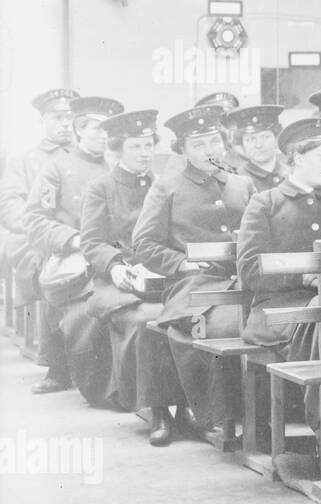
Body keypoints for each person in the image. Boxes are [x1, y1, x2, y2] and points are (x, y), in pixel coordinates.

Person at [133, 105, 255, 438]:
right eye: (198, 144)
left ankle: (258, 415)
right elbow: (143, 243)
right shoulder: (166, 186)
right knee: (216, 327)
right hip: (191, 286)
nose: (209, 151)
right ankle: (219, 416)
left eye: (214, 141)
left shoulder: (242, 184)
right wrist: (182, 263)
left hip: (243, 280)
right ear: (183, 150)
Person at [79, 109, 187, 444]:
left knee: (184, 316)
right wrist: (115, 266)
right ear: (117, 151)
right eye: (136, 147)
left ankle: (186, 409)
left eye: (147, 145)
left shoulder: (163, 185)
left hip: (162, 277)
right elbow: (92, 242)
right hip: (117, 281)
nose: (144, 153)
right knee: (147, 322)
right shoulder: (101, 188)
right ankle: (157, 412)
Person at [236, 117, 321, 440]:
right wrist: (303, 276)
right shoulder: (265, 203)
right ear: (297, 158)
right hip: (272, 312)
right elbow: (250, 269)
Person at [23, 96, 124, 399]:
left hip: (116, 256)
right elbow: (35, 219)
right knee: (88, 310)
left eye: (107, 131)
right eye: (95, 129)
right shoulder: (57, 168)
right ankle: (91, 382)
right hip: (75, 258)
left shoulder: (118, 166)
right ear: (79, 130)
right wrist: (74, 239)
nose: (103, 136)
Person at [1, 89, 78, 383]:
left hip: (80, 236)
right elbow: (10, 206)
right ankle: (56, 363)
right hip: (36, 241)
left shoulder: (88, 157)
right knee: (53, 269)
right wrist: (46, 232)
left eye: (70, 117)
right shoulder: (23, 162)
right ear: (42, 121)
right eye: (57, 117)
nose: (64, 124)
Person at [227, 105, 289, 192]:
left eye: (265, 137)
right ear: (242, 145)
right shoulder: (236, 180)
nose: (258, 145)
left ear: (276, 140)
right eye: (251, 139)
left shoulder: (292, 175)